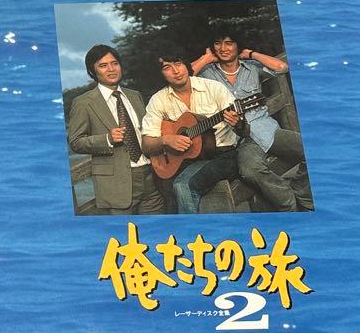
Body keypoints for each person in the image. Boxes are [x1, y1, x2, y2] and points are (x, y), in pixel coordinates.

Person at [191, 32, 312, 210]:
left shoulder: (252, 67)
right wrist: (206, 59)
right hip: (239, 139)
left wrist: (251, 54)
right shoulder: (207, 73)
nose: (223, 48)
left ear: (237, 46)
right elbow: (181, 79)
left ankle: (301, 194)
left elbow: (282, 67)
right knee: (250, 170)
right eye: (218, 43)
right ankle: (289, 204)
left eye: (229, 43)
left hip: (267, 130)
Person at [141, 49, 243, 214]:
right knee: (165, 186)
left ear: (186, 65)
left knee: (183, 185)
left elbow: (244, 130)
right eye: (167, 67)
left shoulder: (213, 88)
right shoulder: (158, 100)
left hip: (223, 155)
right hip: (188, 160)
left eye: (178, 64)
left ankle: (191, 227)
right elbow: (147, 145)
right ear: (161, 74)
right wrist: (166, 140)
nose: (176, 71)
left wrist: (238, 123)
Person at [66, 44, 165, 215]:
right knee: (122, 231)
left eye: (114, 63)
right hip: (116, 184)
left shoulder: (135, 95)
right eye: (103, 65)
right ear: (92, 71)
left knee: (156, 228)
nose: (111, 69)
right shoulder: (83, 103)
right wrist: (107, 139)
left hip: (151, 176)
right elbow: (75, 142)